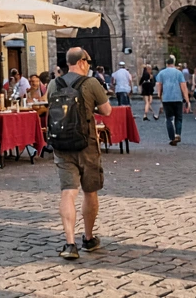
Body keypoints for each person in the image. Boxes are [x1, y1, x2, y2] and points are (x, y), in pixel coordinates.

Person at [52, 47, 113, 260]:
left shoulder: (53, 84)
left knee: (68, 191)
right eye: (88, 61)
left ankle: (69, 244)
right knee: (90, 191)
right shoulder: (91, 83)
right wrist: (90, 108)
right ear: (82, 62)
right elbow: (106, 111)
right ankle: (88, 238)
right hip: (86, 144)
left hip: (61, 143)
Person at [155, 56, 190, 146]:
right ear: (173, 63)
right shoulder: (179, 73)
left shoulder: (161, 73)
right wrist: (187, 99)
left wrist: (159, 94)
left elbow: (159, 84)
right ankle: (177, 134)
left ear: (166, 63)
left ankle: (171, 137)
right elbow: (183, 86)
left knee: (169, 118)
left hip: (167, 98)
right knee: (178, 117)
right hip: (177, 98)